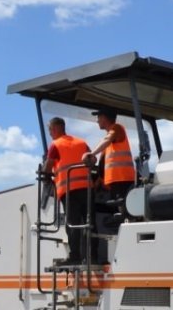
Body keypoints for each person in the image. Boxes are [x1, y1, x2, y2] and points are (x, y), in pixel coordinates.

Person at [43, 116, 91, 265]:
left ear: (56, 128)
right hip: (87, 189)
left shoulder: (55, 145)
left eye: (50, 129)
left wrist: (46, 178)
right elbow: (91, 160)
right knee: (90, 222)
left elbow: (47, 168)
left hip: (69, 191)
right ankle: (93, 255)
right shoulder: (82, 143)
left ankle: (75, 256)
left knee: (72, 225)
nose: (50, 133)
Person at [84, 108, 135, 204]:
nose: (97, 120)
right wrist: (99, 180)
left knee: (124, 208)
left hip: (122, 178)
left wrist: (92, 154)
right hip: (115, 181)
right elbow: (103, 162)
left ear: (104, 118)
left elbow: (107, 140)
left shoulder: (117, 128)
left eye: (98, 117)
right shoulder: (109, 141)